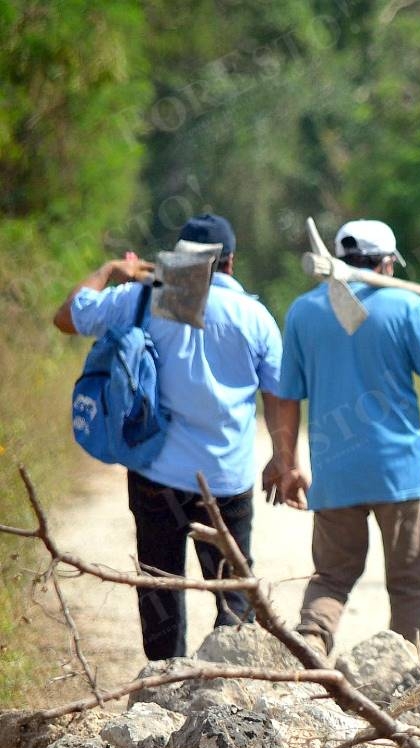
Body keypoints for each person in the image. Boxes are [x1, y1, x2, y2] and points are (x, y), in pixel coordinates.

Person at [53, 213, 285, 660]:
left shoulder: (144, 296)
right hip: (224, 481)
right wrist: (282, 457)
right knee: (234, 594)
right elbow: (279, 394)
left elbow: (67, 318)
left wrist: (108, 271)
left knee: (159, 589)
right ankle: (231, 690)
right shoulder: (255, 317)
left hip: (155, 472)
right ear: (231, 263)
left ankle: (163, 686)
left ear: (179, 259)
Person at [264, 219, 420, 655]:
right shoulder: (404, 306)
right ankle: (401, 669)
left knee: (332, 576)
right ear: (387, 264)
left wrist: (288, 462)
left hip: (336, 471)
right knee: (408, 581)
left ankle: (310, 649)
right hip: (398, 473)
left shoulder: (303, 311)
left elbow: (286, 397)